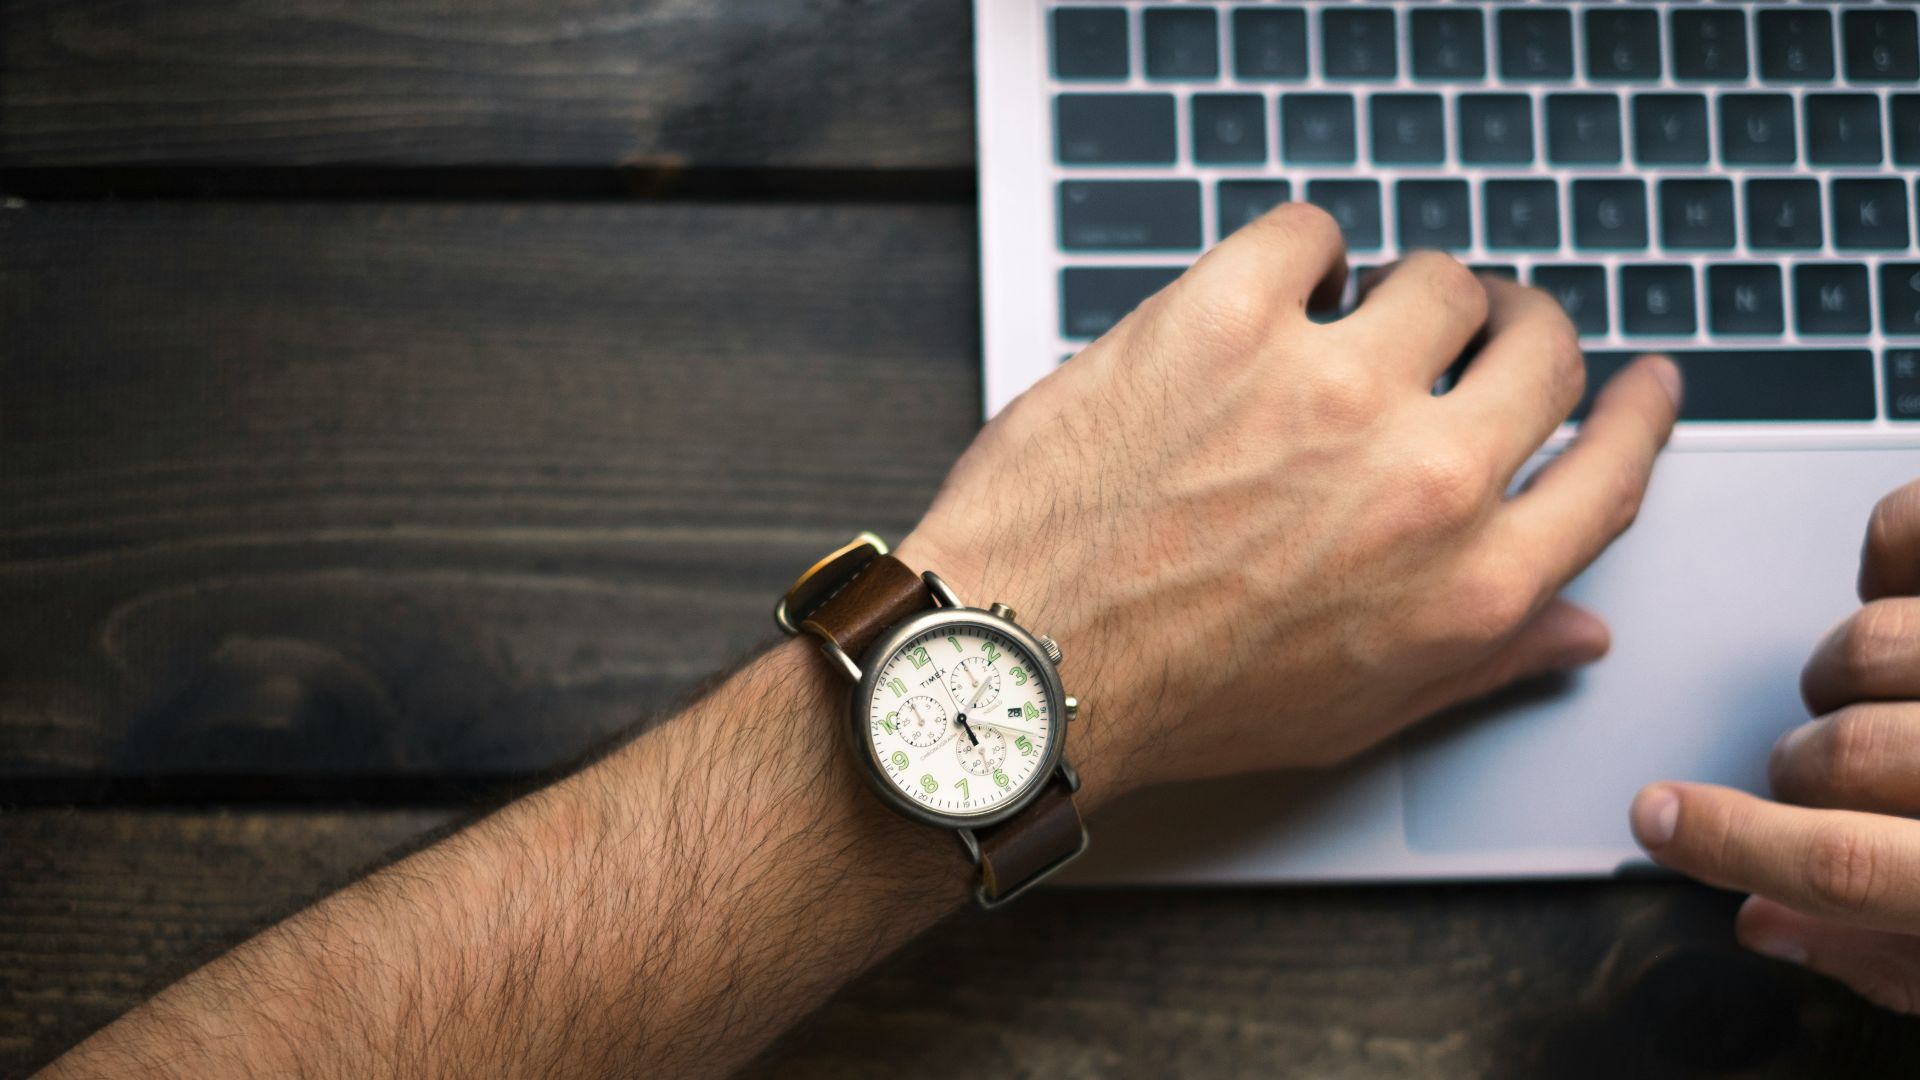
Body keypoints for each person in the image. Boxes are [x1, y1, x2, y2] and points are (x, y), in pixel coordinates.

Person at [29, 205, 1908, 1077]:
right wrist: (1076, 631)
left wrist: (1065, 646)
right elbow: (972, 708)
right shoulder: (977, 737)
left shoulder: (988, 737)